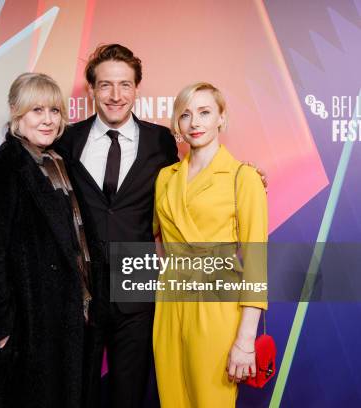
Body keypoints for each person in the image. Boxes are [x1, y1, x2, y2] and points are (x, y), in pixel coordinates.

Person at [0, 72, 101, 408]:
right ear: (17, 113)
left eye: (54, 111)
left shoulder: (62, 163)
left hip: (63, 322)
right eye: (37, 111)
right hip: (24, 330)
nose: (47, 120)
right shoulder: (1, 167)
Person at [57, 44, 179, 408]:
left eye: (125, 85)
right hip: (82, 286)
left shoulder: (161, 141)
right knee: (79, 393)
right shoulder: (66, 139)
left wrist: (244, 177)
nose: (115, 95)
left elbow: (189, 181)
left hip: (138, 283)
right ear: (91, 89)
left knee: (131, 393)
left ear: (137, 88)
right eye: (106, 85)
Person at [152, 82, 268, 407]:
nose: (195, 123)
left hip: (217, 307)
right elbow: (158, 237)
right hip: (170, 305)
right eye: (186, 115)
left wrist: (246, 339)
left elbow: (257, 264)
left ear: (221, 118)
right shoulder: (165, 178)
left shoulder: (243, 177)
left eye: (205, 112)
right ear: (177, 123)